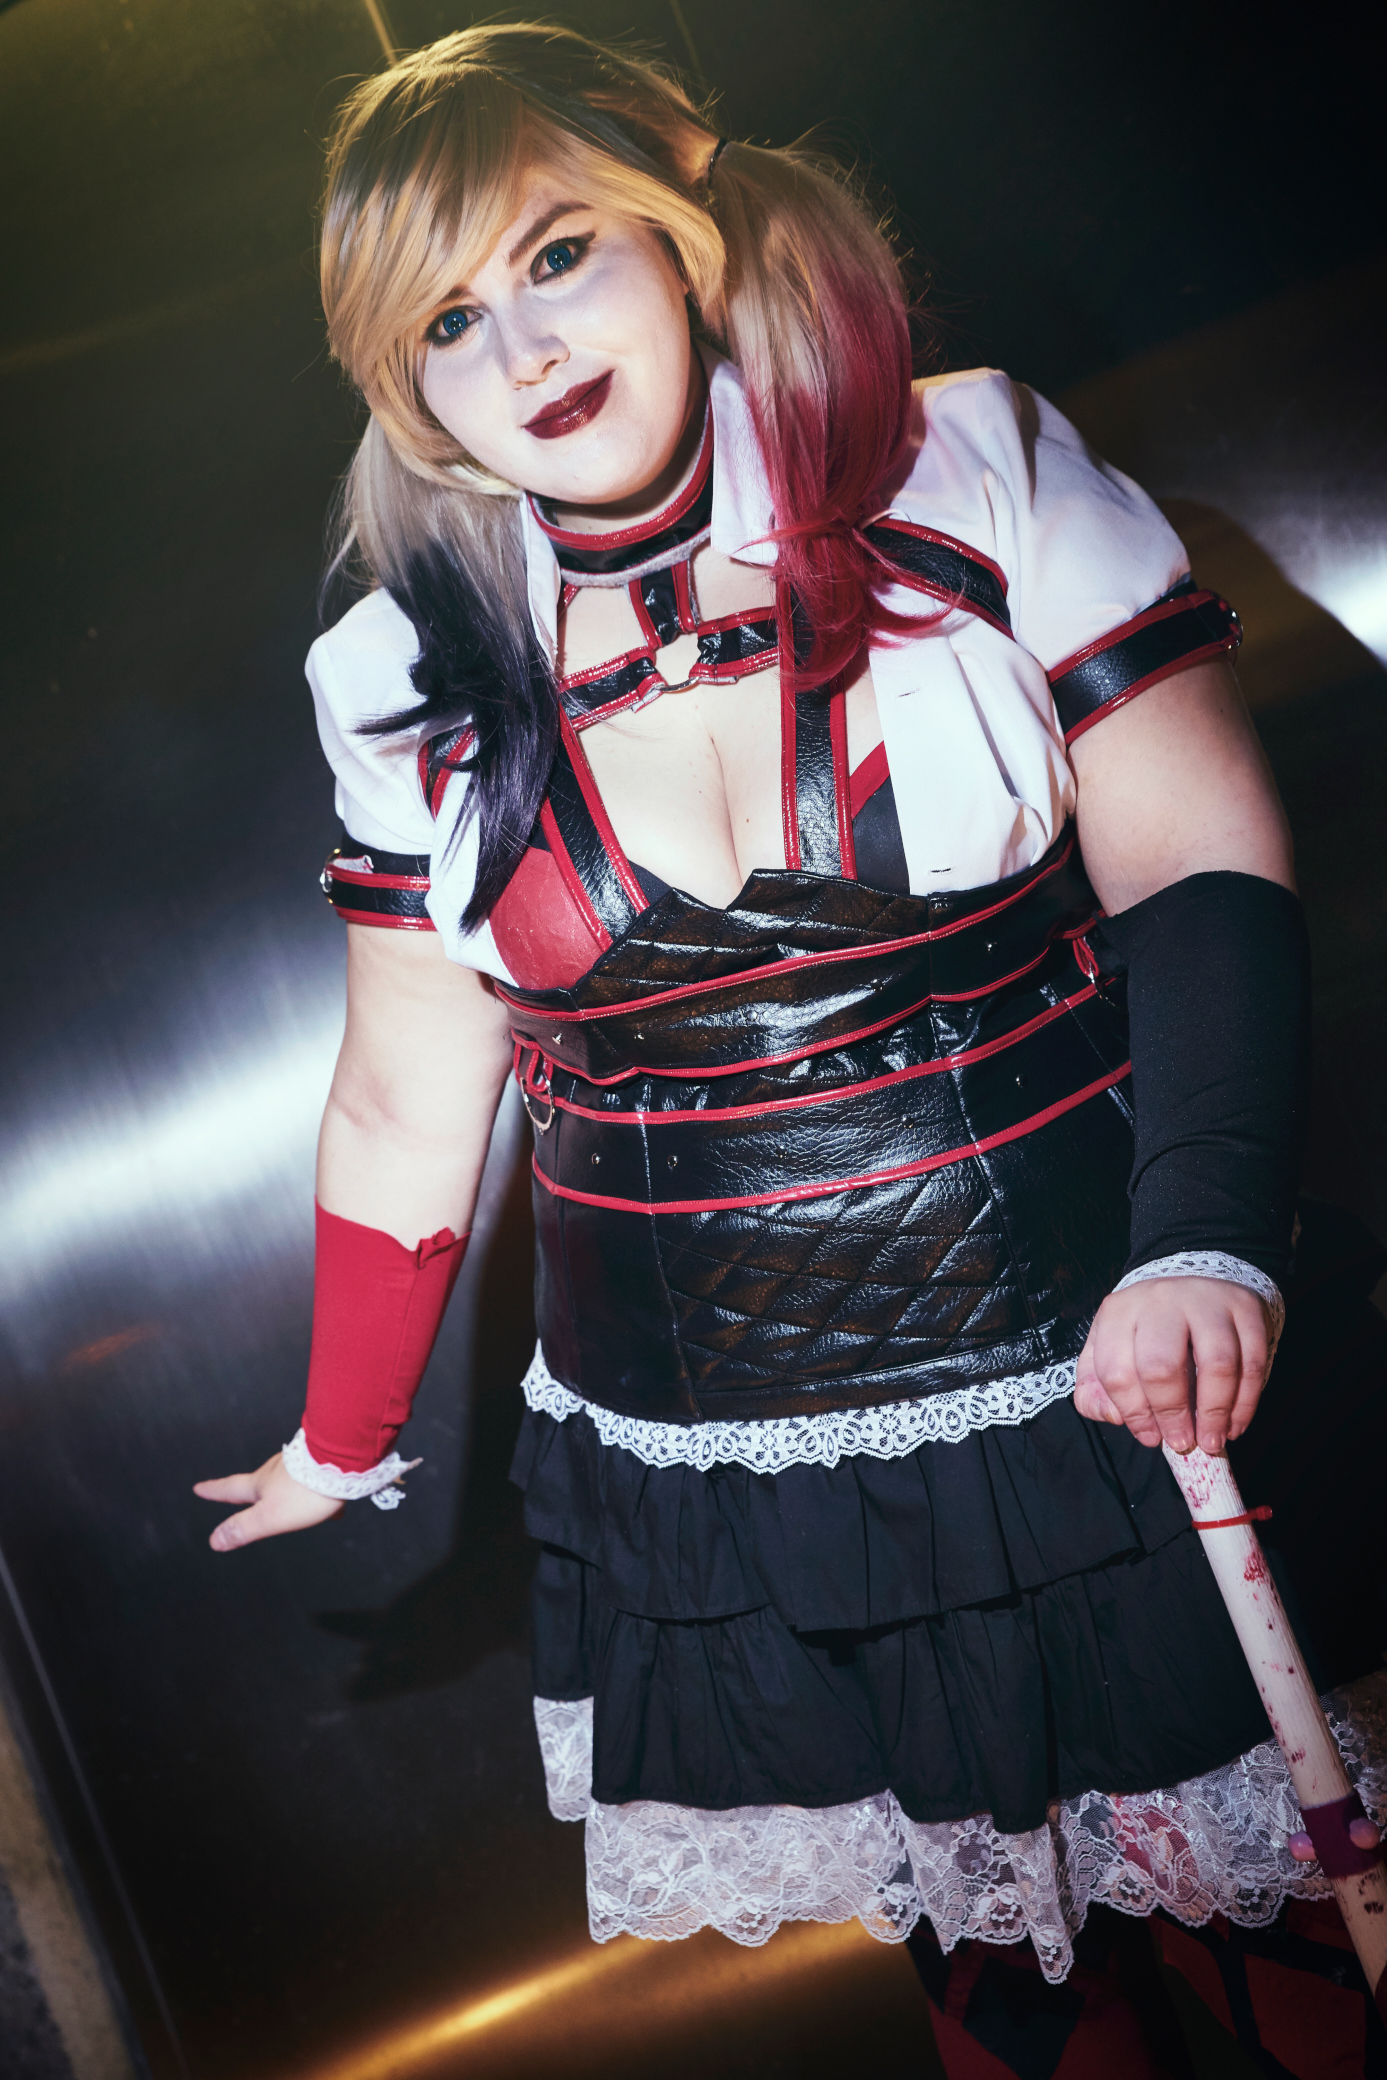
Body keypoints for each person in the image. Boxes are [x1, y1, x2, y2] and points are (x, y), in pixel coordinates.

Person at [195, 23, 1386, 2073]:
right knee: (1010, 1989)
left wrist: (1203, 1238)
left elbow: (1197, 861)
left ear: (679, 231)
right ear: (403, 381)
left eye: (557, 253)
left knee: (1284, 1930)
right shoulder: (397, 671)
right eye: (447, 320)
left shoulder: (967, 465)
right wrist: (341, 1429)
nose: (521, 349)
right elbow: (406, 1085)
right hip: (747, 1474)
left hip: (1117, 1363)